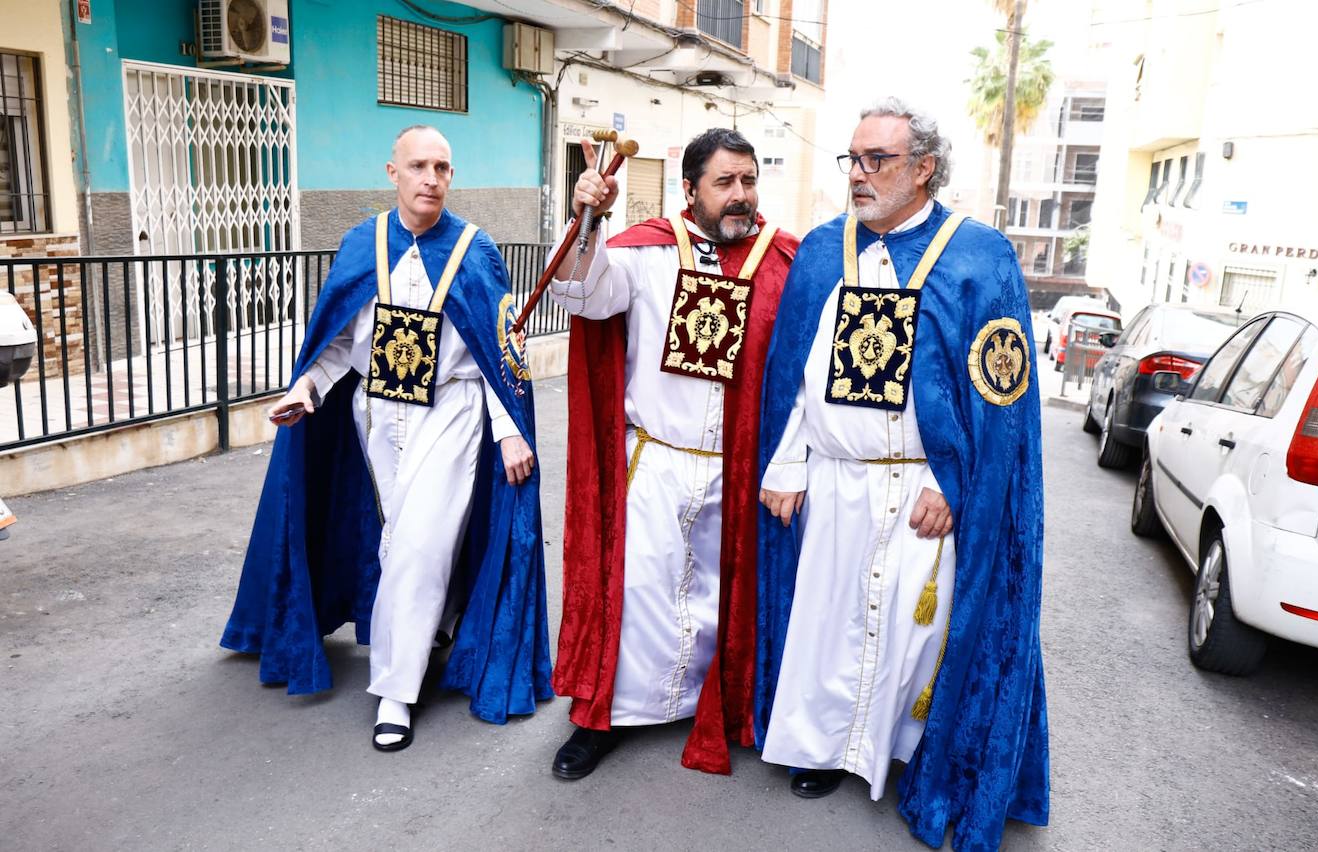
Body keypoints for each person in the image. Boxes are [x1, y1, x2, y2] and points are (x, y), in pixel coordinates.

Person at [754, 99, 1049, 850]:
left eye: (875, 160)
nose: (858, 174)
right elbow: (796, 377)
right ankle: (822, 750)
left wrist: (956, 486)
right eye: (851, 159)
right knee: (830, 622)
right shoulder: (825, 252)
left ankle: (900, 754)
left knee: (909, 635)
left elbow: (1002, 400)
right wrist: (787, 464)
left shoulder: (978, 257)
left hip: (922, 487)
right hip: (838, 479)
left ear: (924, 168)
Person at [220, 125, 552, 752]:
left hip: (451, 413)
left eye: (444, 167)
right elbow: (340, 341)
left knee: (420, 542)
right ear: (392, 172)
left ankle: (395, 690)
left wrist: (509, 430)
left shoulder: (475, 250)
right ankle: (437, 623)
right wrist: (307, 387)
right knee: (401, 536)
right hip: (376, 414)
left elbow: (497, 350)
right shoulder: (360, 243)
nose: (433, 178)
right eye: (420, 166)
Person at [548, 128, 799, 778]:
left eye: (748, 180)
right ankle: (610, 717)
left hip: (737, 466)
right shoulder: (646, 252)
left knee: (720, 594)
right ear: (690, 189)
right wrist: (588, 219)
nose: (741, 194)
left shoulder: (780, 262)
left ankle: (716, 703)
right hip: (656, 458)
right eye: (725, 182)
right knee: (641, 592)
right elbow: (579, 294)